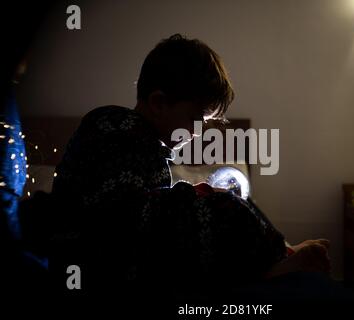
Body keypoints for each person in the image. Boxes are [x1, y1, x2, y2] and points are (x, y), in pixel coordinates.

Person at [49, 34, 331, 295]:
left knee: (225, 199)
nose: (198, 132)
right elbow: (126, 218)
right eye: (197, 118)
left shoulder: (144, 142)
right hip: (98, 263)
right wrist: (190, 197)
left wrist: (189, 194)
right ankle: (279, 261)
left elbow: (150, 207)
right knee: (226, 206)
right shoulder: (115, 128)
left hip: (117, 252)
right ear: (159, 103)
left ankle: (281, 254)